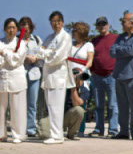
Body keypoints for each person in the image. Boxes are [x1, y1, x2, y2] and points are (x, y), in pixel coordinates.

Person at [38, 11, 75, 144]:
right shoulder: (49, 37)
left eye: (58, 21)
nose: (56, 24)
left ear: (62, 22)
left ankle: (57, 135)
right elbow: (40, 51)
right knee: (50, 105)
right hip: (48, 75)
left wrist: (46, 54)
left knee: (56, 107)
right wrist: (47, 53)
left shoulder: (65, 37)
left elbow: (59, 56)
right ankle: (55, 134)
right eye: (53, 21)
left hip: (58, 75)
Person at [110, 13, 133, 140]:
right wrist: (123, 50)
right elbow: (112, 52)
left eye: (123, 21)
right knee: (122, 106)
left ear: (132, 23)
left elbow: (131, 51)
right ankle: (124, 132)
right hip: (119, 75)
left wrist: (121, 50)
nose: (121, 23)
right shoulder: (120, 37)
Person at [38, 68, 90, 140]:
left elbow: (77, 103)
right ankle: (56, 131)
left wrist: (73, 87)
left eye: (81, 77)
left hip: (66, 117)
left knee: (79, 110)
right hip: (52, 116)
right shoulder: (60, 84)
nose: (80, 79)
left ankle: (71, 134)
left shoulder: (84, 89)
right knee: (44, 135)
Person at [89, 16, 119, 138]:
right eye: (99, 24)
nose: (102, 26)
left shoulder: (115, 38)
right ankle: (99, 128)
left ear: (108, 25)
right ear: (96, 27)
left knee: (112, 105)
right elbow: (90, 56)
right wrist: (92, 71)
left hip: (112, 75)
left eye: (104, 24)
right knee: (98, 105)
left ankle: (112, 130)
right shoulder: (93, 41)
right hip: (97, 76)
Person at [0, 18, 27, 143]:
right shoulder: (0, 42)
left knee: (17, 108)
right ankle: (1, 134)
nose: (11, 30)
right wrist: (9, 56)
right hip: (2, 77)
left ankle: (18, 135)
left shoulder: (21, 43)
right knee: (1, 108)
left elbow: (16, 60)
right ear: (5, 29)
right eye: (9, 27)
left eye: (13, 28)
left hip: (17, 78)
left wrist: (5, 54)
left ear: (17, 29)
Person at [70, 22, 94, 137]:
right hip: (69, 75)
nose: (73, 32)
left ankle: (80, 129)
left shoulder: (88, 45)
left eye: (75, 30)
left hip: (83, 74)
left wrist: (81, 71)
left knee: (81, 101)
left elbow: (90, 61)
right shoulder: (69, 45)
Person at [20, 17, 43, 137]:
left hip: (34, 74)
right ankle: (20, 127)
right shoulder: (17, 41)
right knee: (20, 103)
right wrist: (24, 58)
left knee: (32, 103)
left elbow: (43, 55)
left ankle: (31, 128)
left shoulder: (37, 40)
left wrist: (35, 59)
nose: (25, 27)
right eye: (23, 24)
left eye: (27, 24)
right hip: (21, 74)